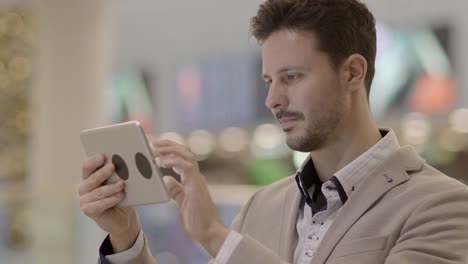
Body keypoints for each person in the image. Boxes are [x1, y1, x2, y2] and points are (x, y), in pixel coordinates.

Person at [78, 0, 468, 263]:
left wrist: (217, 238)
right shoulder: (261, 207)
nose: (273, 100)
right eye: (268, 80)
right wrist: (126, 238)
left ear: (352, 72)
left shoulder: (443, 207)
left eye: (292, 77)